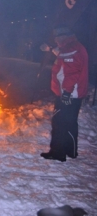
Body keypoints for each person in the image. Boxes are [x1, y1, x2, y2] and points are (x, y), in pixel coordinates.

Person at [39, 26, 88, 162]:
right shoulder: (74, 47)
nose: (56, 41)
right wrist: (50, 48)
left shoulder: (71, 49)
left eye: (56, 38)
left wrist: (66, 92)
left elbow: (71, 72)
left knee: (59, 122)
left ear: (62, 37)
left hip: (69, 94)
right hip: (75, 94)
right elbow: (62, 55)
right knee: (70, 122)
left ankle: (58, 152)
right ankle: (70, 151)